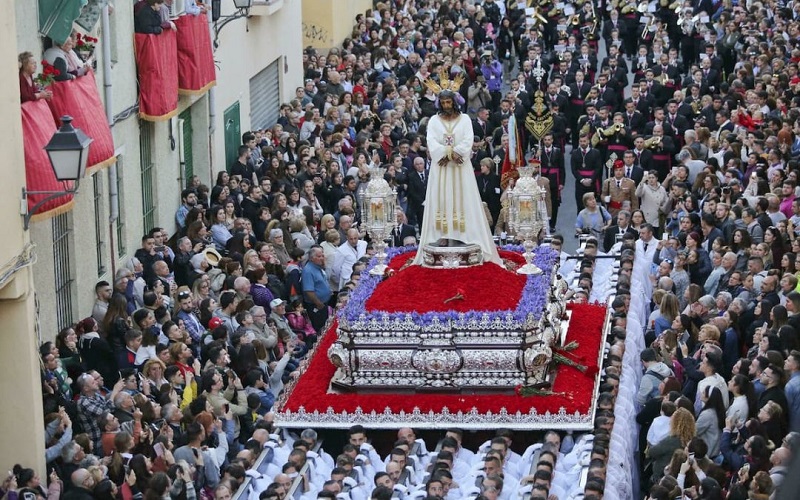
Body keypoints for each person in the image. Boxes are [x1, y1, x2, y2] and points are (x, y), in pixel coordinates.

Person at [411, 85, 502, 267]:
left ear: (454, 102)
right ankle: (443, 235)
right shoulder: (434, 121)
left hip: (460, 167)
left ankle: (463, 233)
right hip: (442, 167)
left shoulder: (465, 119)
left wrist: (453, 154)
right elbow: (431, 140)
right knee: (442, 199)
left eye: (449, 102)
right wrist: (445, 154)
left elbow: (468, 139)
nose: (446, 105)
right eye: (443, 102)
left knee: (463, 198)